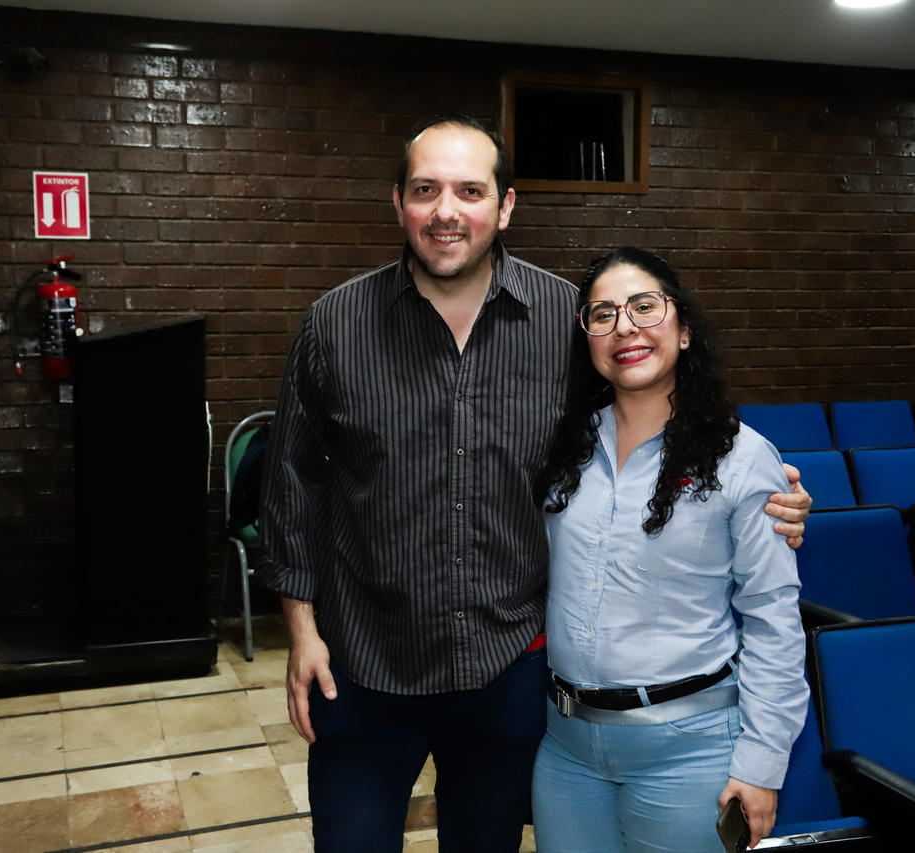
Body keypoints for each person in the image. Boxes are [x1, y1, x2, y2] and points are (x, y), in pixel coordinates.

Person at [255, 116, 812, 852]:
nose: (446, 211)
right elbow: (292, 485)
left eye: (470, 191)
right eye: (425, 190)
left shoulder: (566, 323)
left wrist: (758, 483)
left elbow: (644, 410)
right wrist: (301, 633)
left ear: (506, 205)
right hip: (364, 666)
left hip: (506, 673)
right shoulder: (334, 324)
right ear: (398, 203)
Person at [530, 247, 809, 852]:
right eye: (602, 314)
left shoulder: (740, 457)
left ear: (683, 330)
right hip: (567, 751)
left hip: (689, 754)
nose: (624, 326)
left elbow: (773, 618)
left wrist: (762, 763)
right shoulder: (560, 448)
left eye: (644, 307)